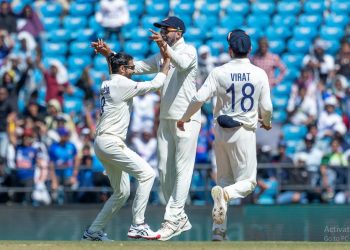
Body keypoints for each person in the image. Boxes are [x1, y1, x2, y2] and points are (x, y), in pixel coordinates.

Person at [92, 16, 201, 241]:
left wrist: (163, 49)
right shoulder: (161, 54)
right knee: (162, 170)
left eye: (166, 30)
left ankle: (174, 217)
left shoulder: (189, 51)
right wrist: (111, 55)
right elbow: (133, 68)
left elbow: (179, 63)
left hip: (186, 117)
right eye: (160, 30)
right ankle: (175, 216)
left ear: (178, 33)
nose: (161, 32)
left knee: (182, 169)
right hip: (166, 118)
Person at [177, 29, 273, 241]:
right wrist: (266, 123)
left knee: (223, 181)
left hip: (220, 132)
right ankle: (227, 197)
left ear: (230, 50)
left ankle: (218, 232)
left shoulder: (218, 72)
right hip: (244, 131)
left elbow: (199, 97)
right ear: (249, 49)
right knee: (247, 184)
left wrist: (184, 118)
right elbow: (266, 107)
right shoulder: (259, 73)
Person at [82, 45, 171, 241]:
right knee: (147, 174)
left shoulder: (108, 82)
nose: (133, 70)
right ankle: (138, 224)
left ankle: (92, 232)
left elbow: (115, 69)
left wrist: (109, 55)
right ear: (122, 70)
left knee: (122, 192)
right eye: (130, 68)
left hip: (102, 142)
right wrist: (166, 66)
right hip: (111, 142)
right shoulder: (122, 85)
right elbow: (155, 85)